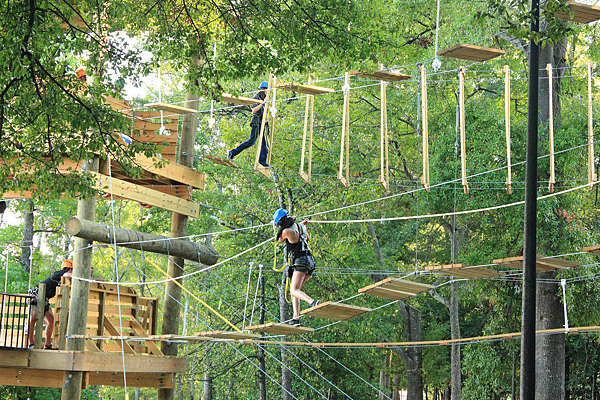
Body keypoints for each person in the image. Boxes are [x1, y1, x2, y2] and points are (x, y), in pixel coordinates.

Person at [274, 208, 320, 326]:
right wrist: (303, 226)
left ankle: (312, 302)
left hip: (301, 262)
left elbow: (279, 240)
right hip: (310, 261)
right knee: (296, 291)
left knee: (294, 290)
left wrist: (273, 228)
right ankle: (296, 318)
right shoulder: (299, 226)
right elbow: (307, 238)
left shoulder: (286, 231)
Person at [27, 260, 73, 349]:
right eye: (72, 269)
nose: (72, 271)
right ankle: (31, 343)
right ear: (68, 269)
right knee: (32, 320)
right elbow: (70, 275)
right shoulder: (59, 274)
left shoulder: (63, 278)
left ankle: (48, 344)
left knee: (51, 320)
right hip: (37, 297)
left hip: (44, 299)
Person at [227, 81, 271, 167]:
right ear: (263, 89)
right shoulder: (257, 97)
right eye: (267, 90)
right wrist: (263, 103)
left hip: (261, 123)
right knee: (251, 141)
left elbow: (264, 112)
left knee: (264, 144)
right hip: (256, 123)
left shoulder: (265, 99)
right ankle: (232, 152)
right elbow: (254, 110)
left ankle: (262, 161)